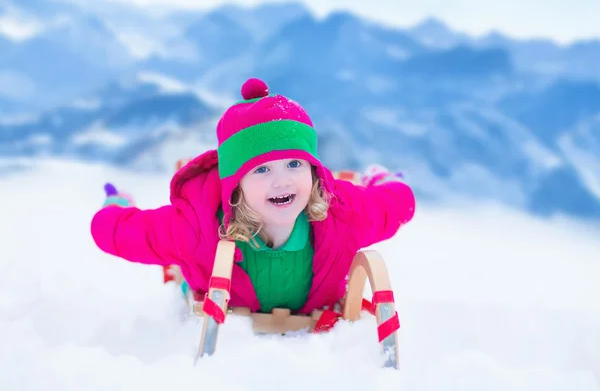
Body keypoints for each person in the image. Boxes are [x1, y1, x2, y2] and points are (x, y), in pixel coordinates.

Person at [91, 78, 416, 315]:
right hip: (221, 301)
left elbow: (391, 206)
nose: (281, 181)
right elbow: (124, 233)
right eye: (261, 170)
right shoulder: (198, 225)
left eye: (294, 163)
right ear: (235, 184)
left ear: (313, 170)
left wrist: (389, 183)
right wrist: (114, 205)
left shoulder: (341, 215)